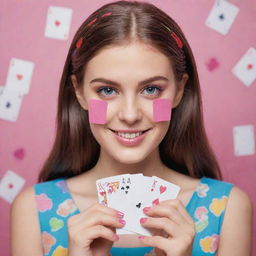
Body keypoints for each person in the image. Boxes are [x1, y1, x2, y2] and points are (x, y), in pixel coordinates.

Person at [10, 1, 253, 256]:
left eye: (151, 89)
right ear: (79, 93)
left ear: (179, 90)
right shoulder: (34, 211)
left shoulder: (228, 209)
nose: (129, 115)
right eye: (107, 90)